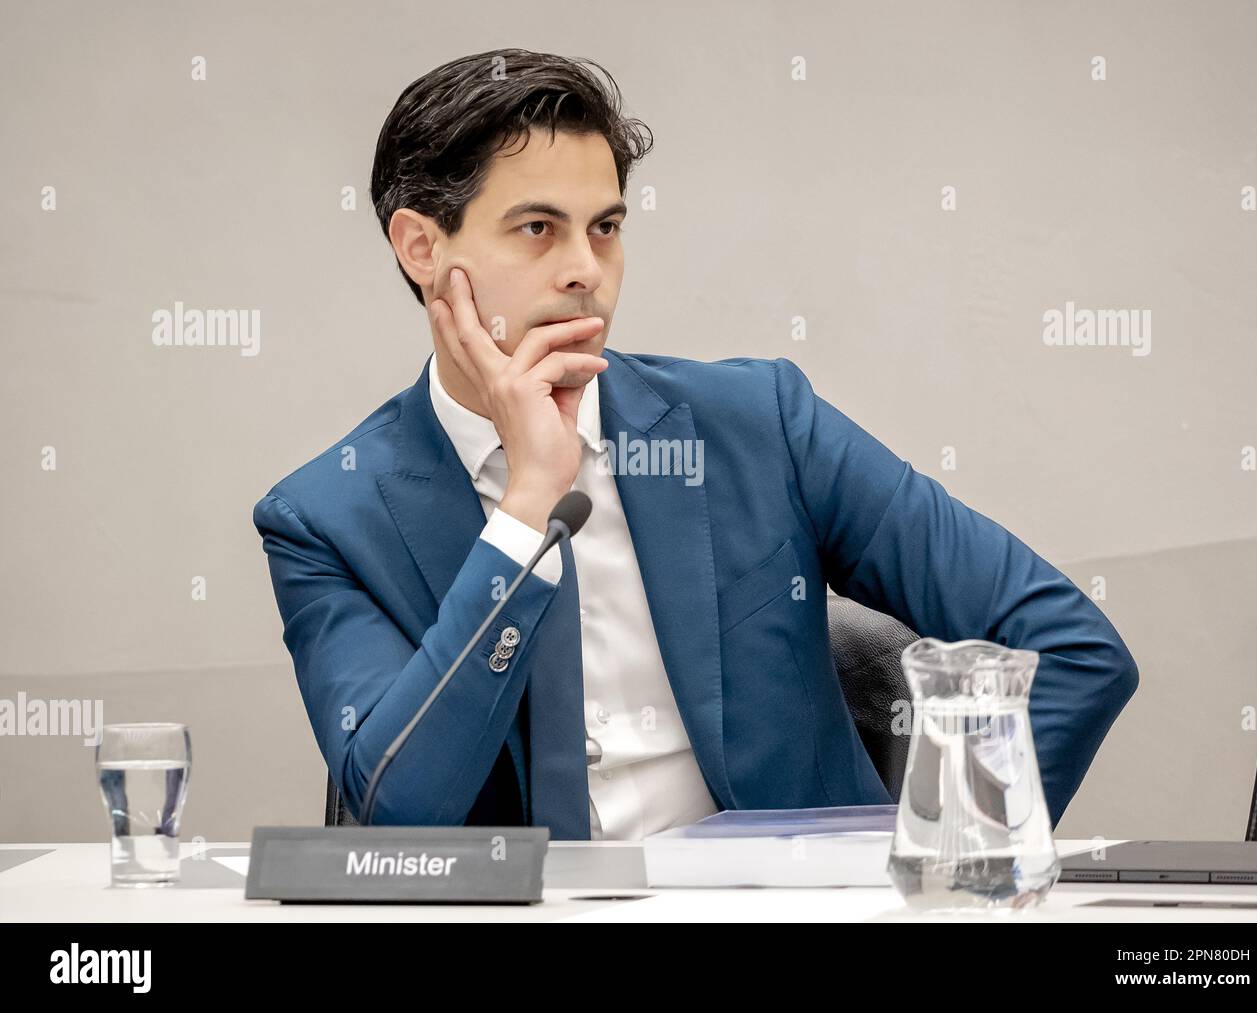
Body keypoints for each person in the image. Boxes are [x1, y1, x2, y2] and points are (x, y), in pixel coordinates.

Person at [253, 48, 1138, 837]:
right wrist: (525, 510)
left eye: (605, 227)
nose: (584, 269)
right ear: (420, 247)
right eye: (537, 228)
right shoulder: (327, 515)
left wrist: (945, 858)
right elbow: (399, 814)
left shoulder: (760, 424)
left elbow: (1070, 646)